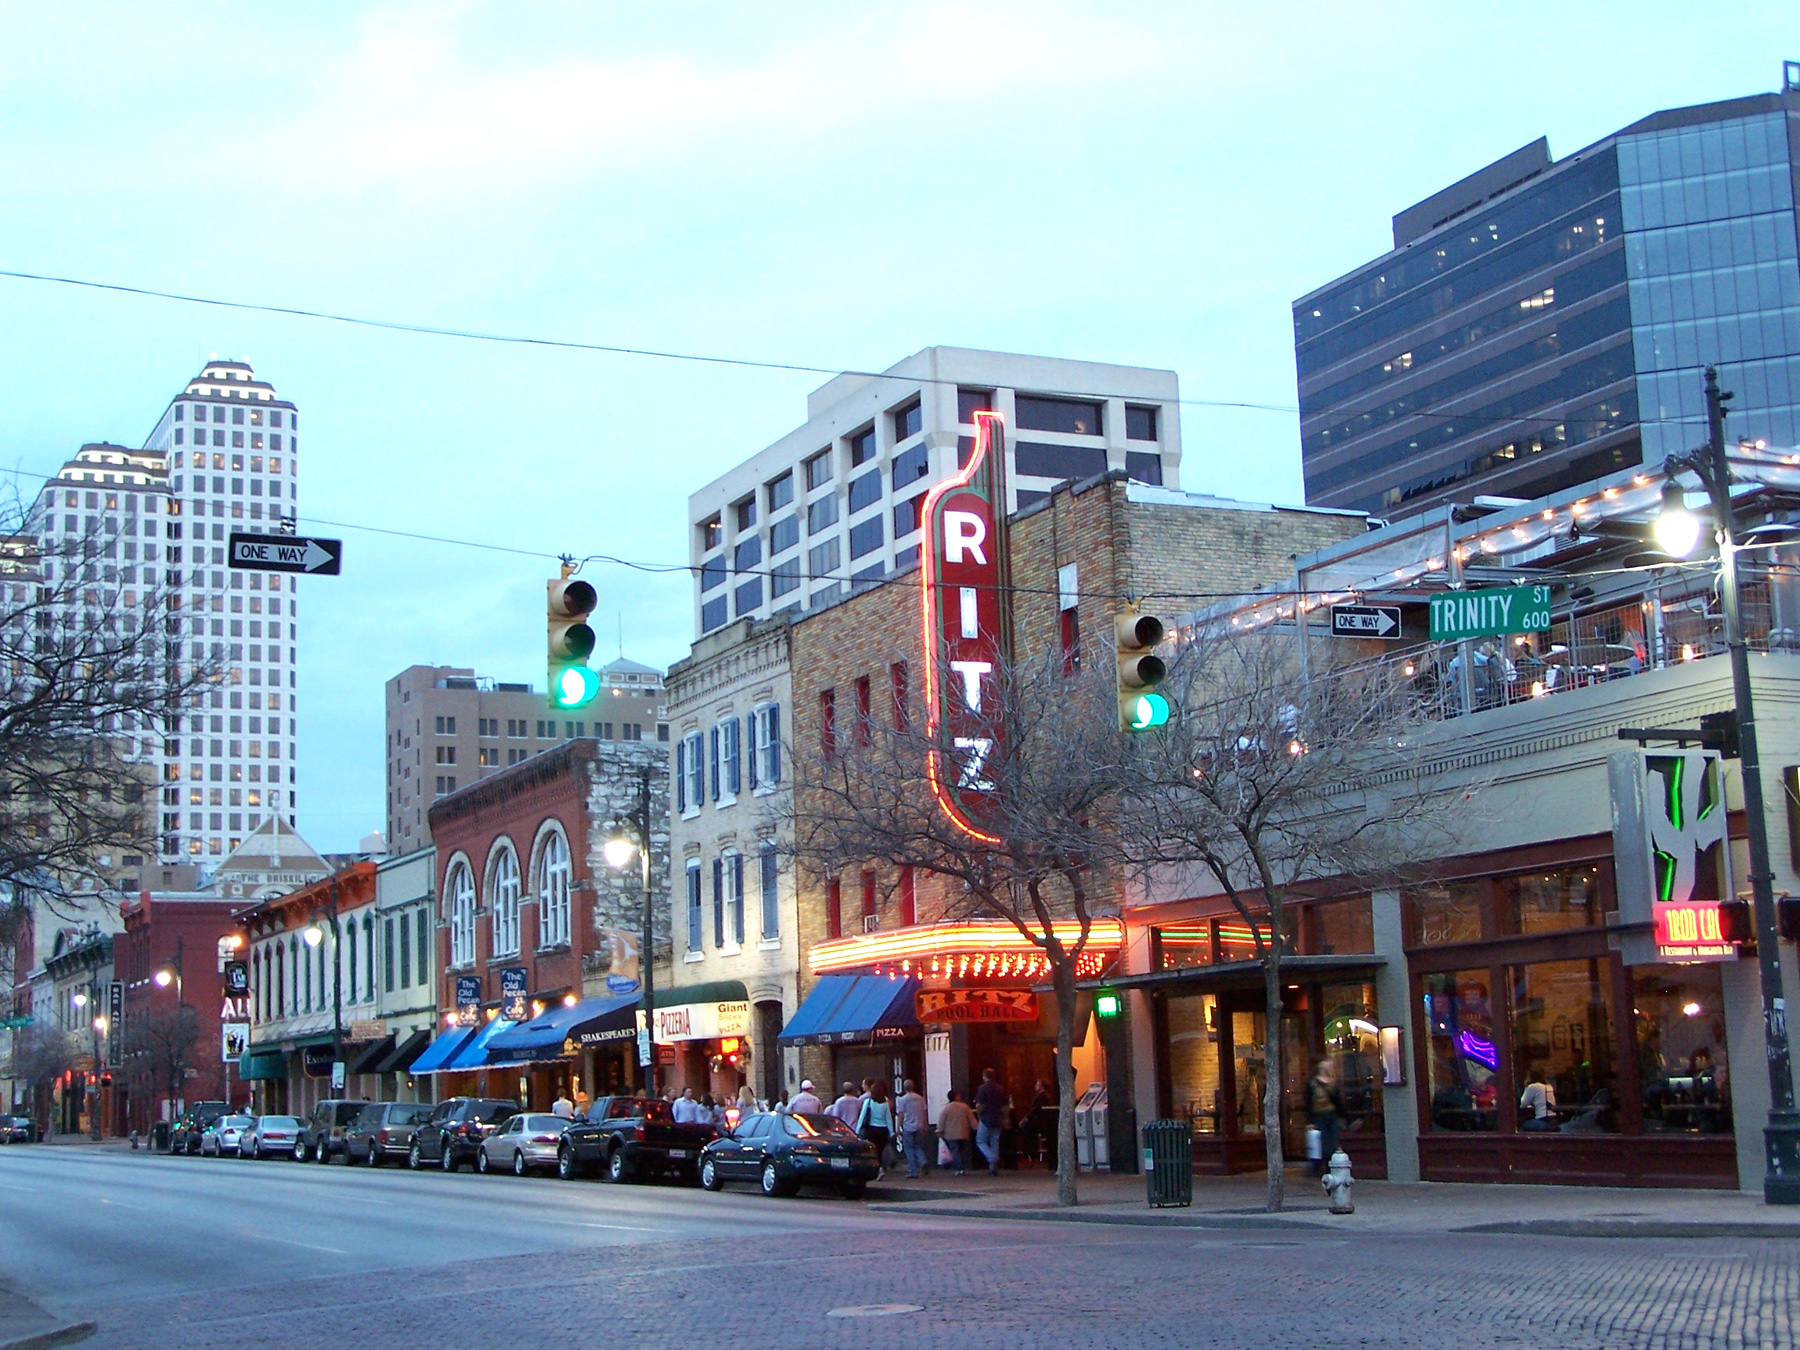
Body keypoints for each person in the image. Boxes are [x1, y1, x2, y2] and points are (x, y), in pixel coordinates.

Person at [1306, 1058, 1343, 1174]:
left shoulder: (1333, 1083)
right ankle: (1319, 1167)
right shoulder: (1312, 1084)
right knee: (1322, 1143)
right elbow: (1307, 1103)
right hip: (1318, 1117)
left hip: (1331, 1116)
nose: (1330, 1066)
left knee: (1332, 1142)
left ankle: (1329, 1168)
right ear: (1320, 1065)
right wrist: (1310, 1121)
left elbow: (1338, 1103)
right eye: (1327, 1064)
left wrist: (1345, 1117)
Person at [973, 1068, 1008, 1176]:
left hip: (986, 1118)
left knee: (980, 1141)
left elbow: (979, 1105)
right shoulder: (1000, 1088)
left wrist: (979, 1115)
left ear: (984, 1076)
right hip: (998, 1117)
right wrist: (1006, 1118)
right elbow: (1005, 1106)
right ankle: (993, 1168)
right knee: (994, 1141)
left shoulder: (982, 1088)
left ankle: (992, 1158)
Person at [855, 1080, 894, 1171]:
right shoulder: (885, 1104)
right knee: (880, 1150)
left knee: (872, 1150)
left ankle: (875, 1168)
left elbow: (862, 1116)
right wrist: (891, 1131)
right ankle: (880, 1167)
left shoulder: (868, 1102)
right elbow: (888, 1118)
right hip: (883, 1130)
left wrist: (857, 1130)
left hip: (872, 1129)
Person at [895, 1078, 928, 1179]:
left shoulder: (903, 1099)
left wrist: (898, 1127)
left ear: (904, 1088)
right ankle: (922, 1160)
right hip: (919, 1126)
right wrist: (925, 1125)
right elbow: (924, 1112)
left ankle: (913, 1171)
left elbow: (900, 1114)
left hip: (908, 1127)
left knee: (909, 1149)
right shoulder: (920, 1098)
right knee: (918, 1146)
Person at [937, 1088, 975, 1176]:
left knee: (955, 1151)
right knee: (961, 1150)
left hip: (950, 1134)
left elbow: (941, 1121)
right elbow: (971, 1119)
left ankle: (959, 1169)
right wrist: (975, 1127)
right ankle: (961, 1166)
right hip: (964, 1133)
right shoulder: (965, 1106)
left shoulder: (946, 1108)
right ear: (956, 1096)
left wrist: (940, 1131)